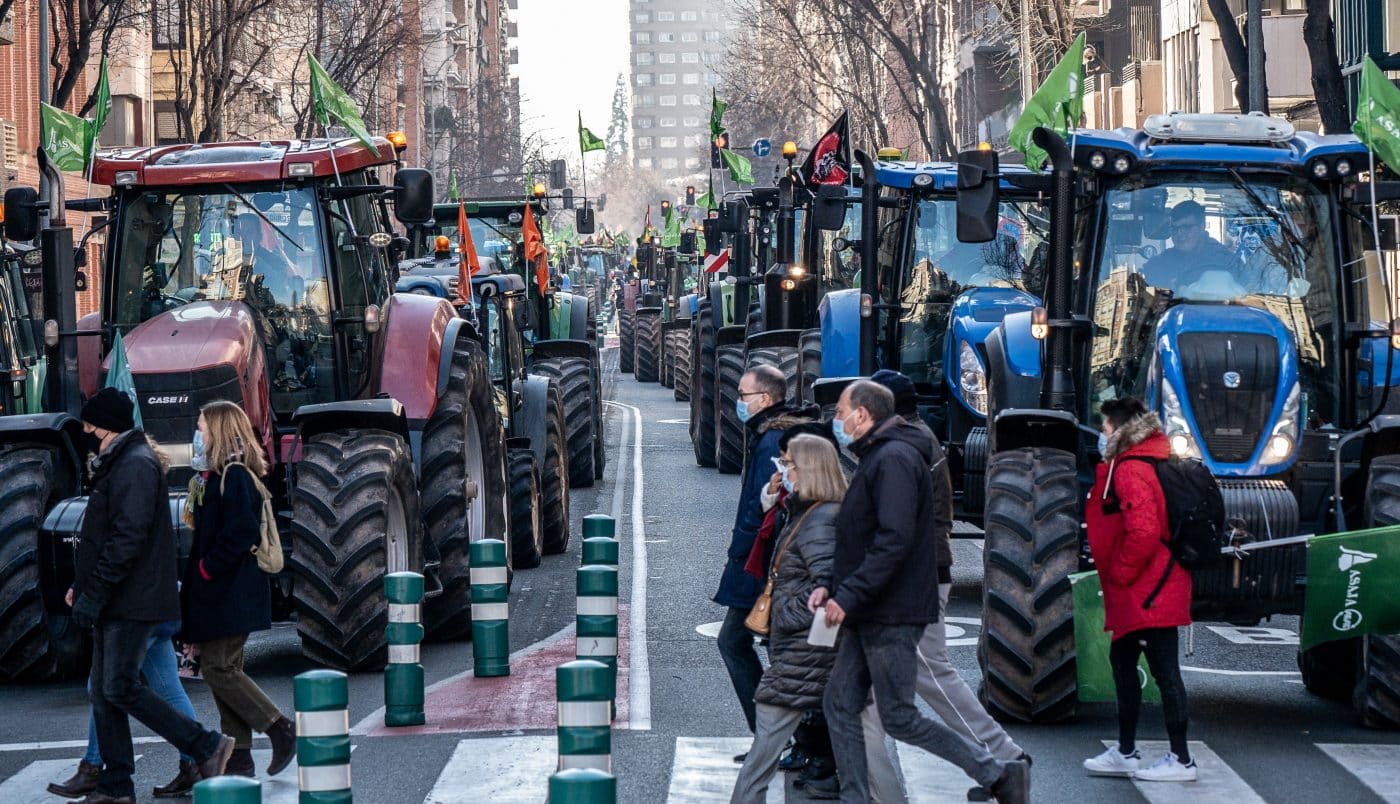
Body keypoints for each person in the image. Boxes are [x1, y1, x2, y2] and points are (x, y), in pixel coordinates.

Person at [811, 380, 1028, 804]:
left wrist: (846, 595)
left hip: (892, 611)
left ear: (863, 414)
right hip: (870, 609)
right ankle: (856, 796)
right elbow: (861, 535)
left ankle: (999, 773)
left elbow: (893, 539)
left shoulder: (893, 458)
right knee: (840, 702)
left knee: (899, 716)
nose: (836, 420)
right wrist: (831, 588)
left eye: (840, 411)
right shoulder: (879, 453)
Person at [69, 388, 234, 804]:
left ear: (107, 427)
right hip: (117, 599)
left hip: (131, 601)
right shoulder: (122, 462)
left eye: (90, 426)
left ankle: (204, 745)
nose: (86, 433)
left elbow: (127, 540)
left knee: (120, 688)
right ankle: (116, 784)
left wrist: (96, 592)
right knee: (106, 692)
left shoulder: (135, 465)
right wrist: (86, 588)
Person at [1082, 396, 1196, 782]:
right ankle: (1126, 751)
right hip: (1151, 584)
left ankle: (1181, 761)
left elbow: (1144, 531)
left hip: (1148, 587)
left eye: (1105, 428)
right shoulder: (1152, 459)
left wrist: (1120, 573)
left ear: (1119, 429)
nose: (1102, 434)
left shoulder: (1130, 469)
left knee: (1164, 672)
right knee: (1123, 664)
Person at [181, 401, 297, 778]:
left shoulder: (235, 476)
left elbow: (241, 532)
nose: (198, 433)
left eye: (202, 426)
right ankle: (239, 754)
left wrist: (206, 567)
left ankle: (279, 726)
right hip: (218, 593)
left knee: (219, 667)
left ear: (218, 429)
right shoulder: (213, 477)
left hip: (233, 591)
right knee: (222, 667)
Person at [731, 435, 847, 802]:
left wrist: (785, 610)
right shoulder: (808, 511)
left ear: (809, 470)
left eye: (790, 466)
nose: (785, 471)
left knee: (763, 747)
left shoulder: (820, 520)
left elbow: (825, 589)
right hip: (802, 653)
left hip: (801, 654)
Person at [714, 364, 817, 749]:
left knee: (740, 643)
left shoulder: (774, 440)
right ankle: (787, 737)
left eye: (743, 395)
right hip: (765, 561)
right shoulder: (768, 435)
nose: (738, 402)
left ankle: (783, 737)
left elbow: (766, 510)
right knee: (772, 649)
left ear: (766, 399)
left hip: (766, 563)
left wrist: (746, 556)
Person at [47, 622, 204, 799]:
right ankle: (194, 762)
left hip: (137, 618)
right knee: (169, 689)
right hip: (158, 616)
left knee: (103, 686)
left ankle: (92, 769)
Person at [1142, 200, 1235, 289]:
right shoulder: (1160, 263)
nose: (1179, 233)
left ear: (1202, 227)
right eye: (1175, 228)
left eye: (1186, 227)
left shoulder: (1226, 261)